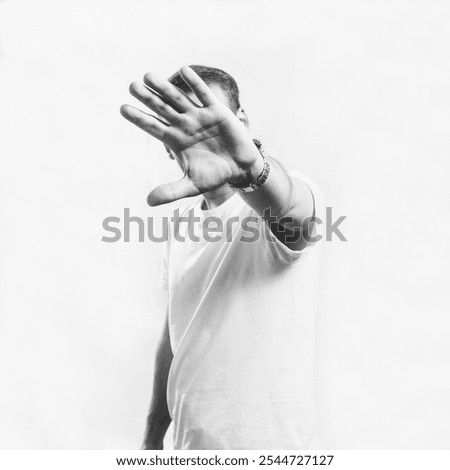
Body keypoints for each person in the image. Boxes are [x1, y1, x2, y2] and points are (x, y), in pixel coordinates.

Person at [120, 65, 322, 450]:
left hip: (269, 449)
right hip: (188, 447)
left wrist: (250, 170)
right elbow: (176, 334)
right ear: (166, 142)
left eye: (212, 117)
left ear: (241, 121)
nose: (199, 131)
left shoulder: (277, 202)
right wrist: (151, 438)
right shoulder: (180, 221)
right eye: (181, 121)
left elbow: (292, 209)